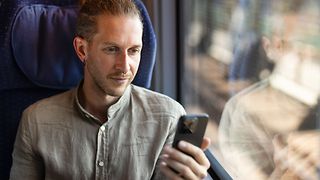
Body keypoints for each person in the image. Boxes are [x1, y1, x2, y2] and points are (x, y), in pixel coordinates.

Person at [9, 0, 211, 179]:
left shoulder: (170, 118)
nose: (124, 67)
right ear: (82, 50)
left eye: (134, 51)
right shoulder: (35, 122)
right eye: (112, 49)